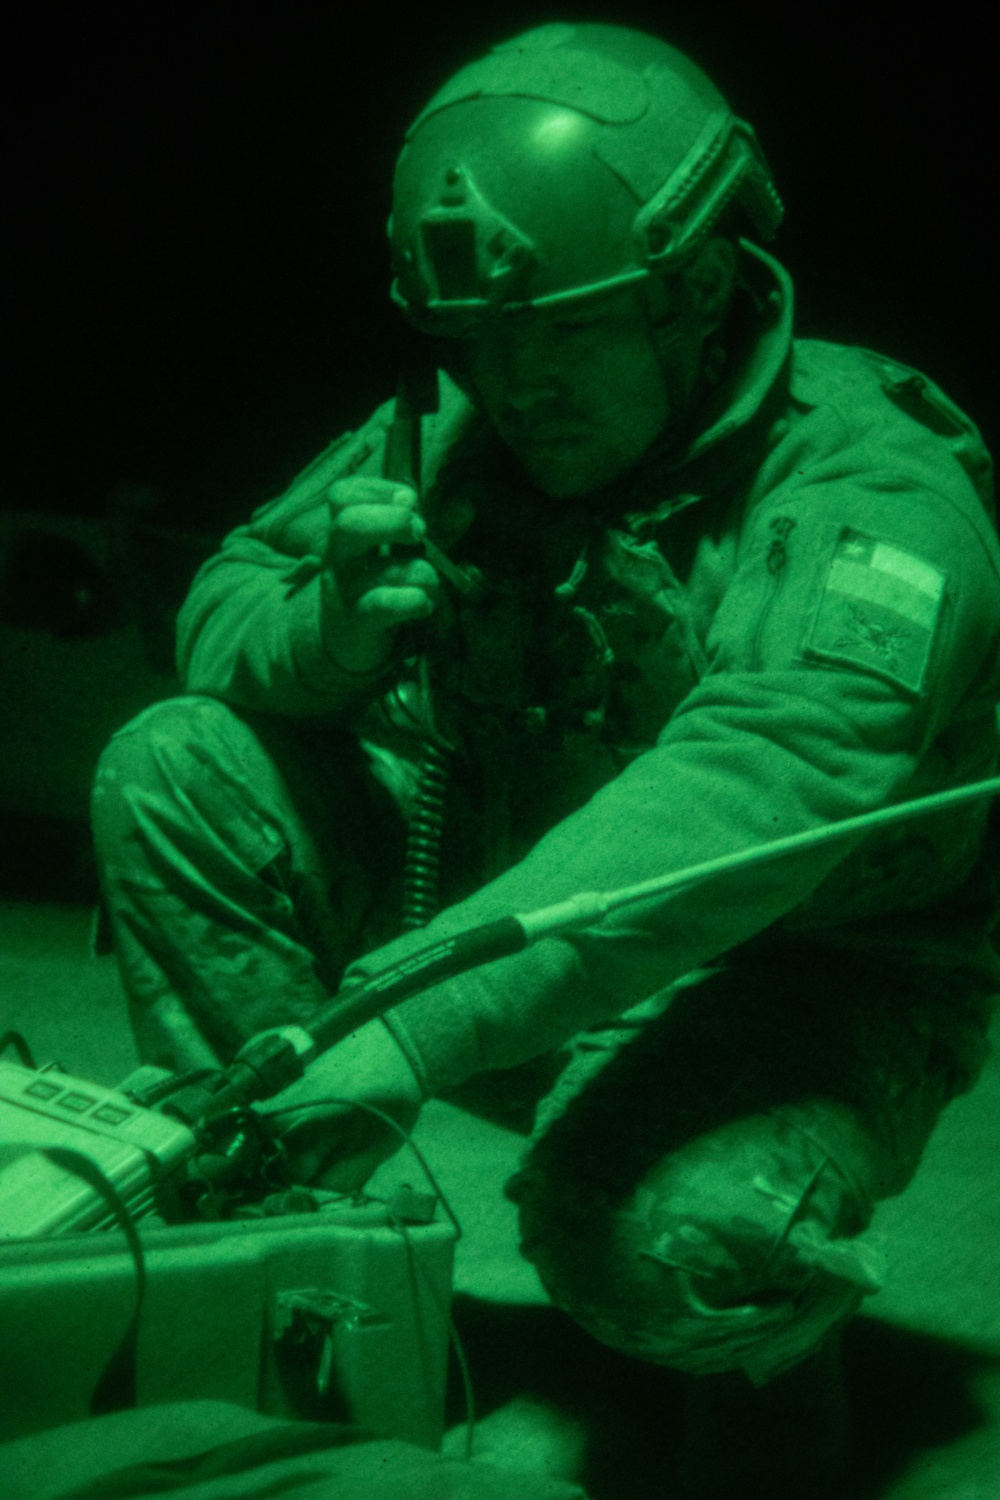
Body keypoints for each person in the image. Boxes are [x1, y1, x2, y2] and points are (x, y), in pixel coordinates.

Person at [91, 21, 1000, 1497]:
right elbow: (222, 606)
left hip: (802, 987)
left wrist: (389, 1030)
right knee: (176, 764)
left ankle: (770, 1367)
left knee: (679, 1240)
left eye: (564, 332)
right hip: (507, 934)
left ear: (694, 289)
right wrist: (327, 629)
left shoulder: (870, 488)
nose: (516, 389)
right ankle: (297, 1252)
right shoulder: (456, 432)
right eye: (479, 344)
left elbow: (762, 779)